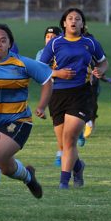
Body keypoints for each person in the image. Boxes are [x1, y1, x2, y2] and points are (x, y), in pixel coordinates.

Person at [0, 24, 52, 216]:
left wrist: (41, 106)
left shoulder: (22, 64)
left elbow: (48, 79)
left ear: (10, 44)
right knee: (5, 167)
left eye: (3, 40)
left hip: (18, 121)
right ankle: (28, 177)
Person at [39, 8, 108, 189]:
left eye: (78, 19)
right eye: (70, 18)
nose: (74, 21)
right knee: (63, 144)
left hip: (81, 93)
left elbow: (103, 61)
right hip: (57, 94)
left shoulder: (90, 43)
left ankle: (64, 183)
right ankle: (78, 166)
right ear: (64, 23)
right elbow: (39, 67)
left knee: (70, 139)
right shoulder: (55, 44)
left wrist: (100, 70)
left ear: (82, 24)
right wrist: (57, 73)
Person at [35, 26, 75, 167]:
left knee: (69, 128)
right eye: (47, 37)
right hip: (53, 94)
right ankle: (64, 153)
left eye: (53, 37)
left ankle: (62, 153)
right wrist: (58, 73)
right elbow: (39, 71)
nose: (50, 39)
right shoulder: (41, 54)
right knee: (59, 126)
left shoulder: (67, 51)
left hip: (71, 92)